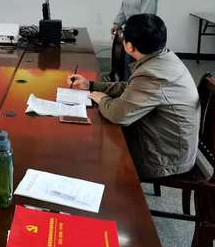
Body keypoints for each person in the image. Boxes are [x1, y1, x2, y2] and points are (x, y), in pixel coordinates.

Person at [68, 14, 200, 180]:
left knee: (91, 153)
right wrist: (91, 85)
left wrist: (102, 98)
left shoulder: (152, 74)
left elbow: (118, 115)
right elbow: (131, 87)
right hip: (166, 141)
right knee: (97, 137)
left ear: (129, 46)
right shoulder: (163, 58)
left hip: (167, 158)